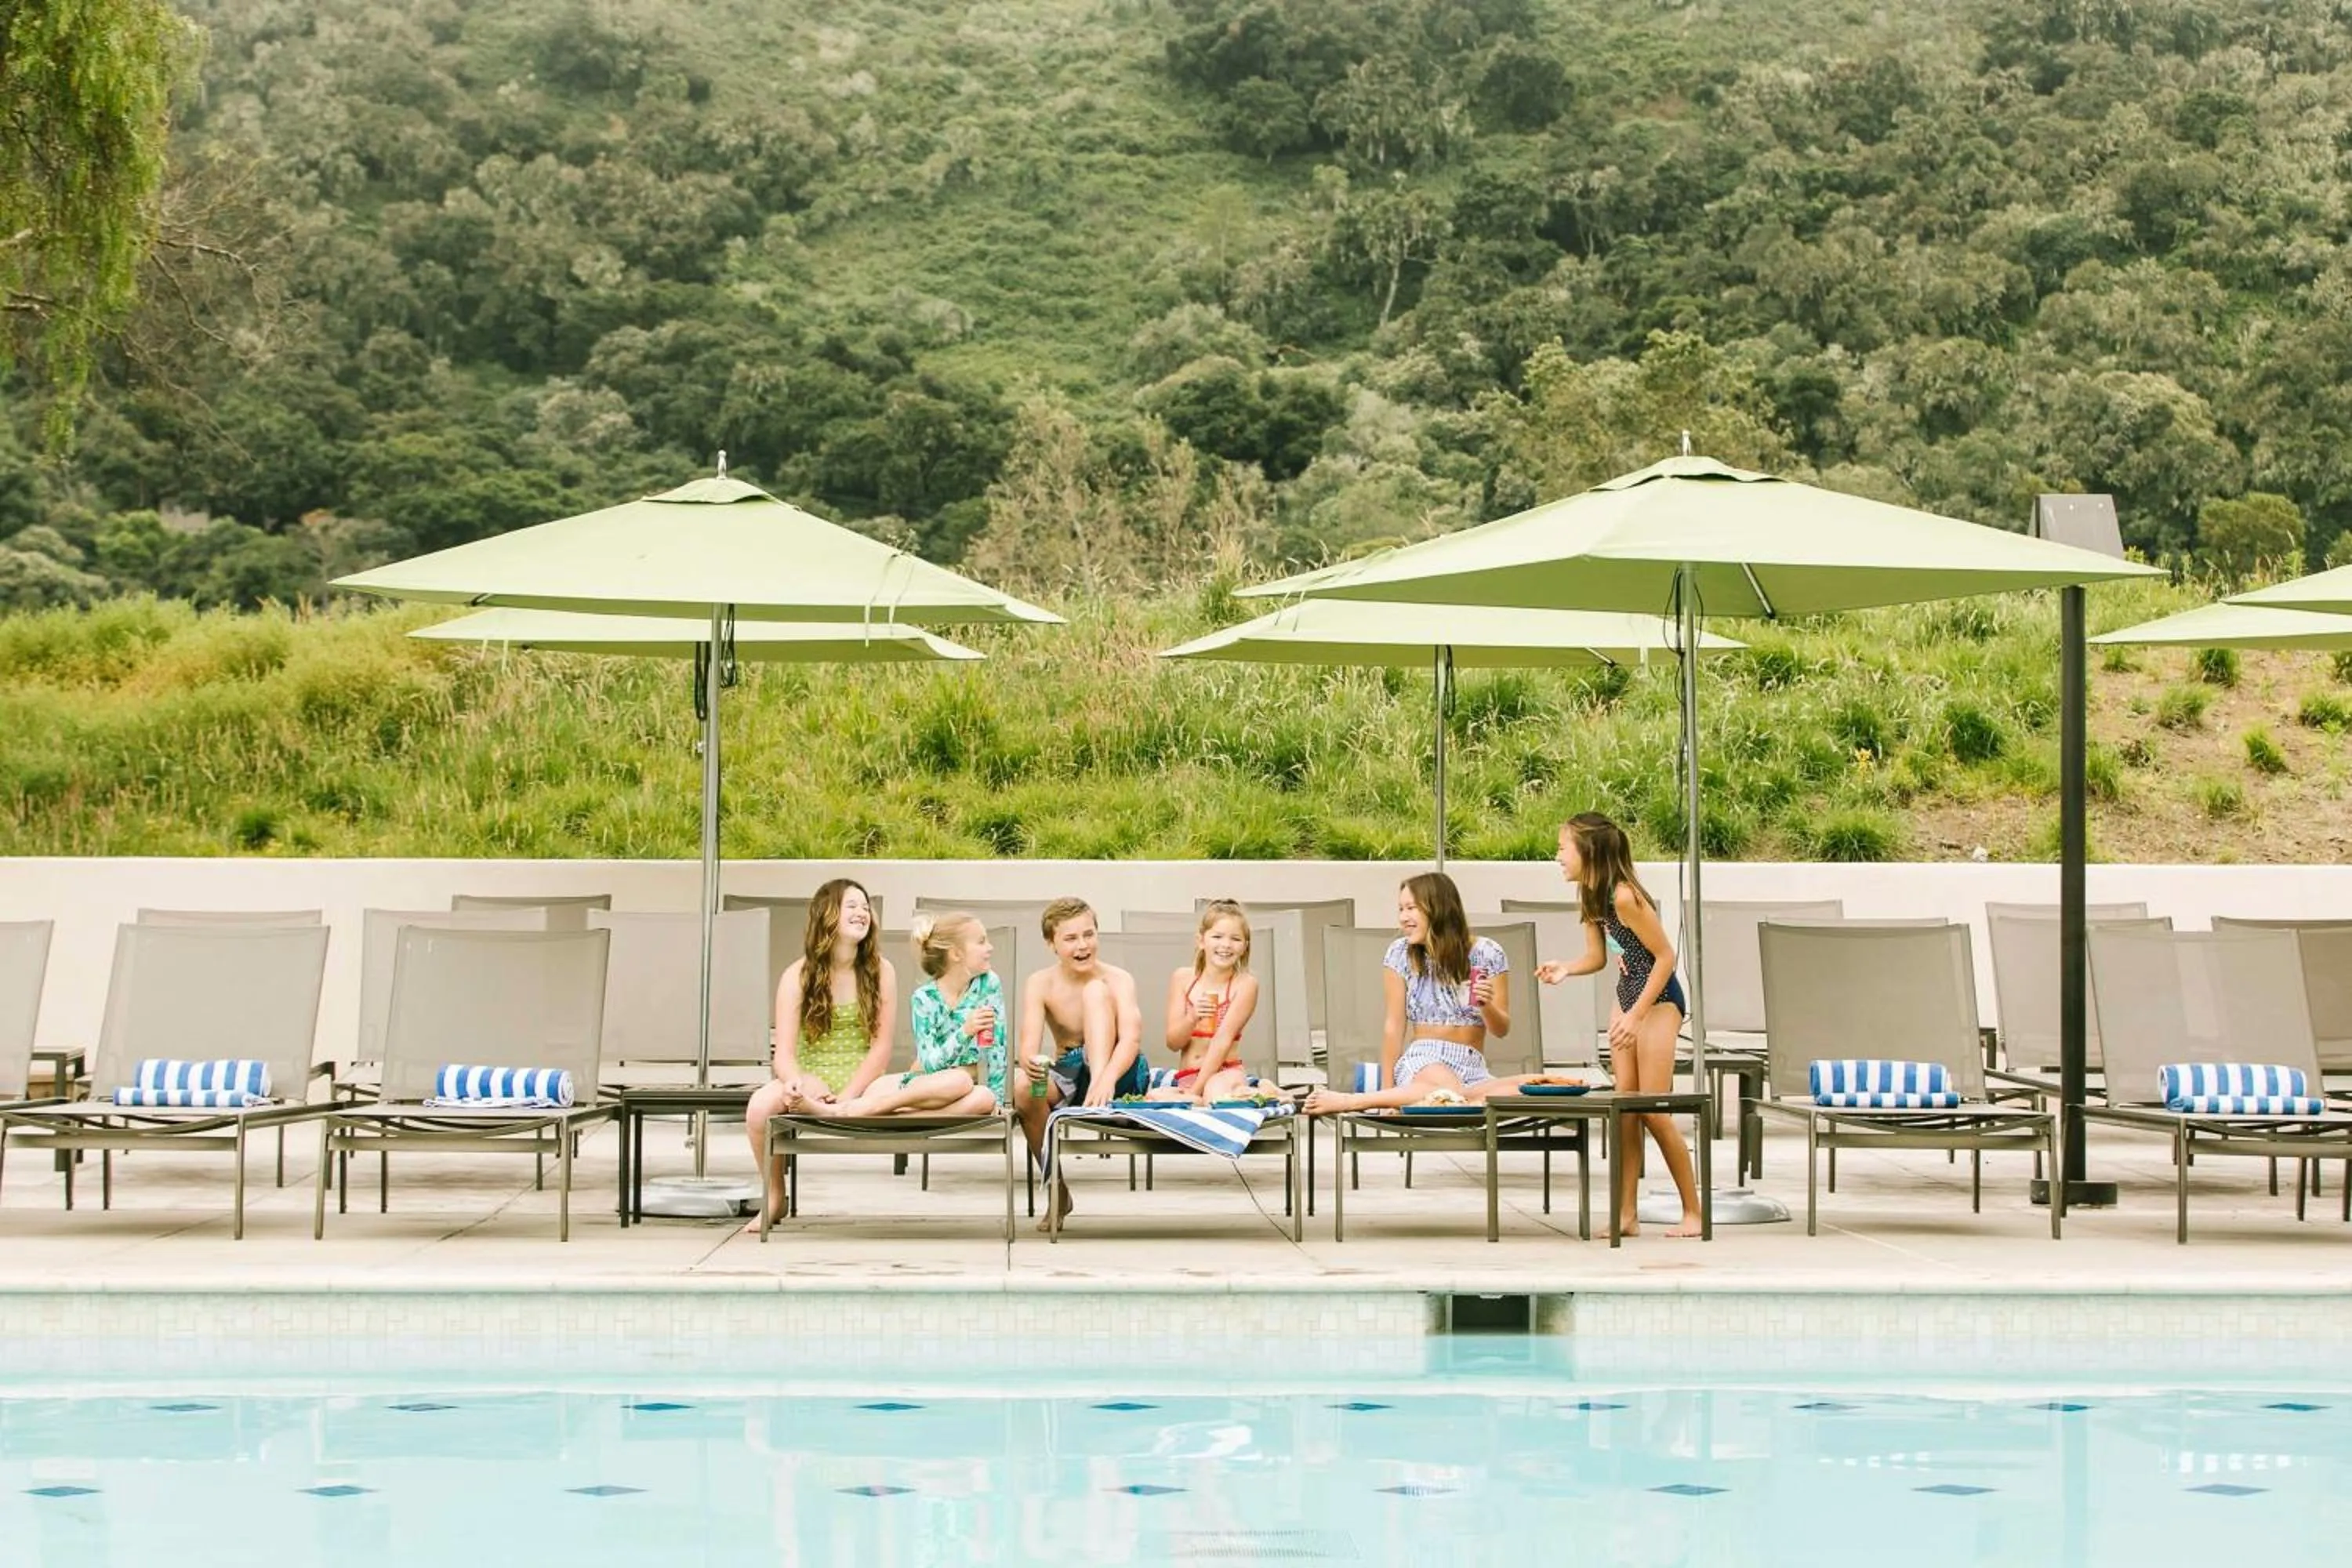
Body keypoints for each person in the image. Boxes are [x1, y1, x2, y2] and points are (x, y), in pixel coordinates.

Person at [1535, 811, 1703, 1239]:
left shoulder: (1626, 896)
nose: (1557, 856)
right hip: (1627, 998)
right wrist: (1566, 969)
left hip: (1659, 1002)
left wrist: (1637, 1014)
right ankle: (1626, 1214)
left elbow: (1665, 957)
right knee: (1624, 1112)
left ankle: (1693, 1212)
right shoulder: (1592, 898)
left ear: (1588, 852)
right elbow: (1597, 957)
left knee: (1651, 1108)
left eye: (1562, 847)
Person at [1304, 872, 1537, 1116]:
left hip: (1472, 1067)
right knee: (1446, 1085)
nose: (1403, 918)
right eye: (1401, 909)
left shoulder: (1488, 952)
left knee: (1528, 1088)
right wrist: (1387, 1097)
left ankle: (1457, 1099)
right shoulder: (1400, 954)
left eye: (1411, 908)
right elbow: (1393, 1027)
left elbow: (1501, 1029)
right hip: (1423, 1061)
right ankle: (1351, 1101)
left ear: (1439, 908)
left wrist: (1486, 1005)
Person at [742, 878, 898, 1232]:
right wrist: (800, 1083)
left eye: (865, 906)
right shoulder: (798, 975)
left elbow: (881, 1048)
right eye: (851, 906)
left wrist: (844, 1098)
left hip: (864, 1079)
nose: (862, 913)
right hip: (809, 1077)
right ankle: (775, 1196)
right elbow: (782, 1055)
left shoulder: (881, 971)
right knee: (759, 1107)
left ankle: (836, 1102)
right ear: (826, 916)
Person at [1012, 897, 1149, 1229]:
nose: (1083, 945)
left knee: (1095, 992)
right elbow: (1028, 1049)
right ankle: (1057, 1189)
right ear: (1052, 944)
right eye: (1071, 939)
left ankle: (1100, 1082)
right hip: (1072, 1075)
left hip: (1121, 1071)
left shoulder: (1118, 979)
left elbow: (1130, 1039)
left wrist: (1105, 1078)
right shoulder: (1040, 983)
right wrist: (1032, 1065)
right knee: (1022, 1087)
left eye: (1089, 935)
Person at [887, 913, 1007, 1112]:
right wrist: (965, 1031)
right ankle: (885, 1104)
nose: (990, 948)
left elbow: (997, 1048)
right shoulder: (924, 998)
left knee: (984, 1097)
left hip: (969, 1087)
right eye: (981, 942)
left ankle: (908, 1118)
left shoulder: (989, 984)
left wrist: (999, 1100)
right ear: (956, 954)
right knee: (958, 1080)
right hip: (933, 1086)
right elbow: (929, 1064)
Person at [1155, 899, 1261, 1105]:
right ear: (1201, 941)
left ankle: (1247, 1090)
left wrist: (1195, 1091)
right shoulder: (1183, 979)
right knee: (1154, 1097)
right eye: (1217, 936)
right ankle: (1252, 1091)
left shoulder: (1245, 984)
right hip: (1187, 1076)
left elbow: (1222, 1042)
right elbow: (1173, 1043)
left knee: (1213, 1095)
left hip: (1224, 1073)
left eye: (1236, 939)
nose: (1226, 945)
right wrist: (1193, 1017)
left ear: (1244, 947)